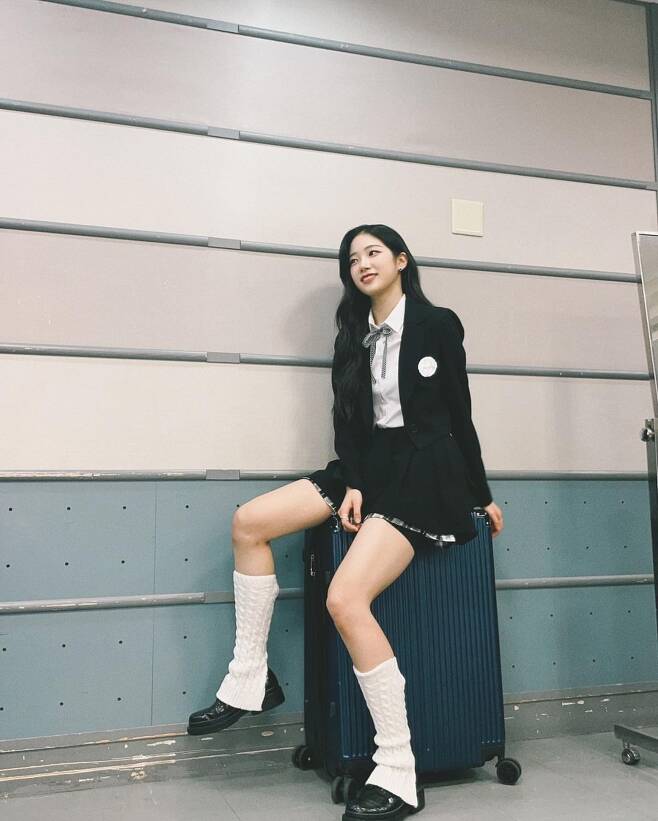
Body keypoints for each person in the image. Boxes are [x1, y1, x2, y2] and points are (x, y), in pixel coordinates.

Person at [187, 224, 504, 821]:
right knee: (249, 523)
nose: (362, 264)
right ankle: (251, 676)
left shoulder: (438, 324)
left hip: (424, 474)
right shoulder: (352, 335)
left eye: (373, 253)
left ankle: (399, 770)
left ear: (402, 260)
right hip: (367, 468)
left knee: (345, 599)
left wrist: (480, 493)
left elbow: (460, 413)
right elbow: (347, 419)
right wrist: (353, 482)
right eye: (353, 258)